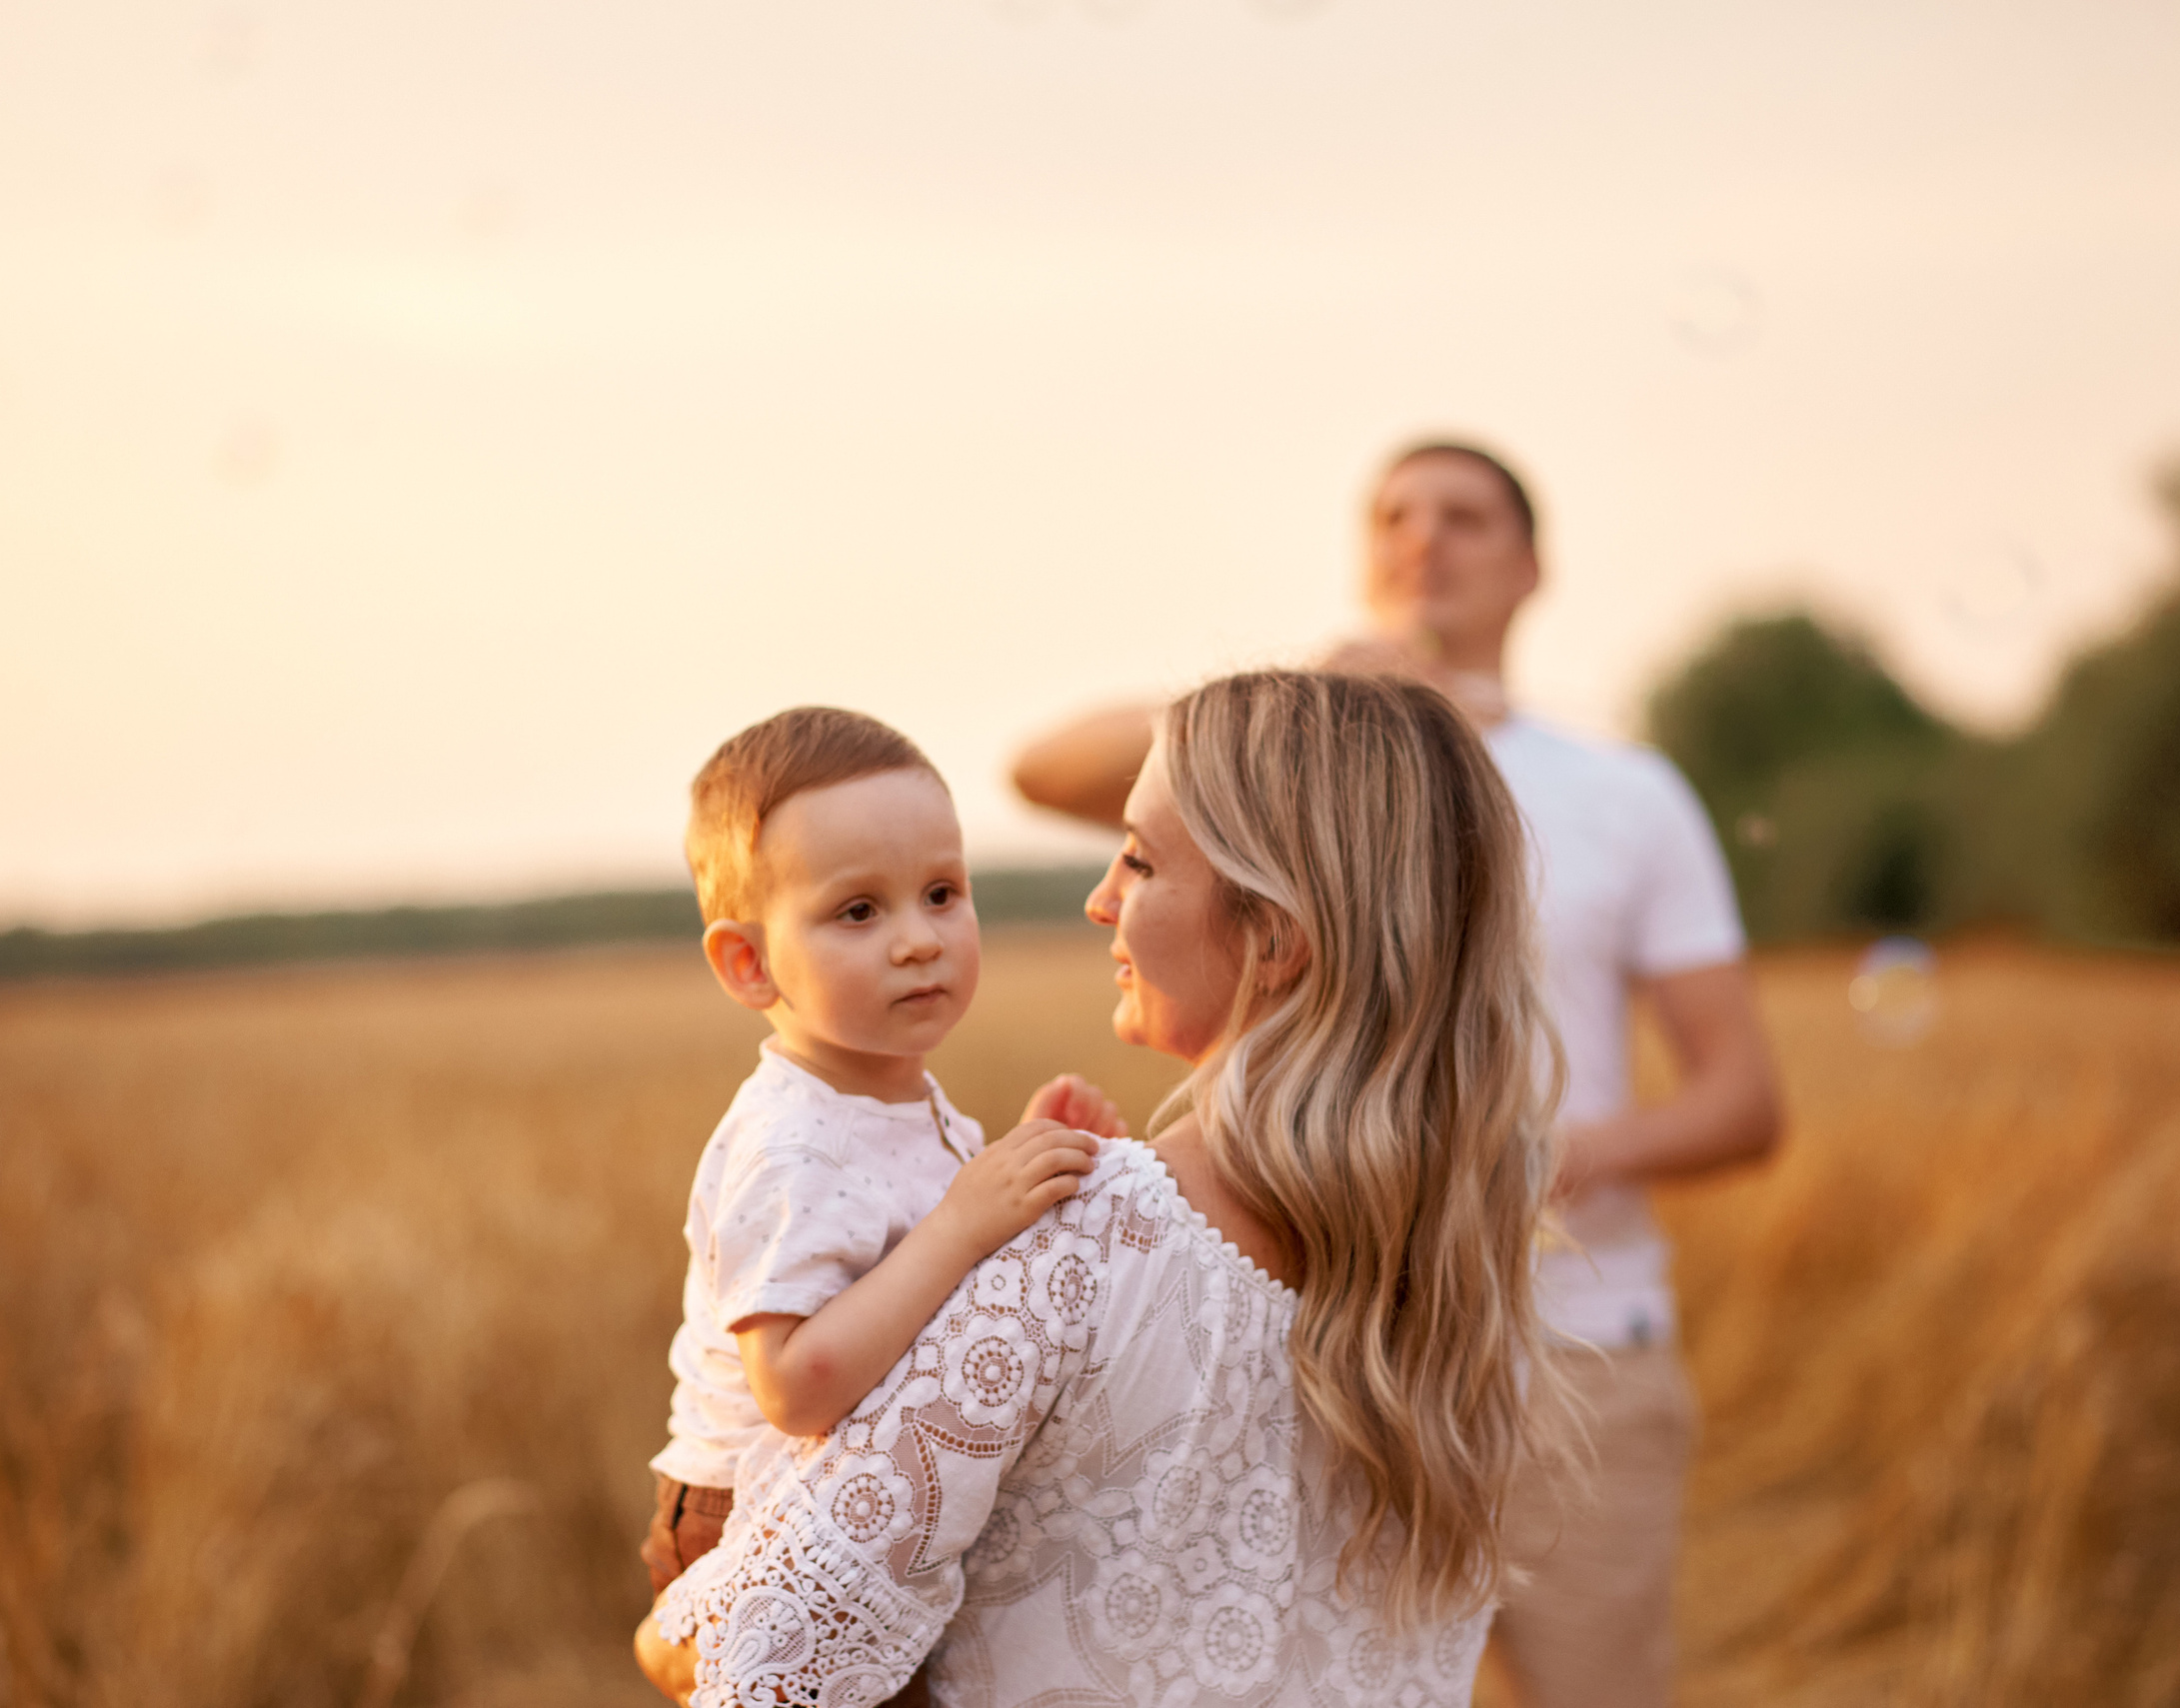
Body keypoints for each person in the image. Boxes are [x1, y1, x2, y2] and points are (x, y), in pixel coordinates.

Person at [1009, 443, 1783, 1708]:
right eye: (1394, 514)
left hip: (1573, 1343)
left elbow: (1744, 1099)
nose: (1425, 539)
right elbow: (1042, 766)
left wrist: (1538, 1157)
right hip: (1332, 1332)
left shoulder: (1625, 794)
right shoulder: (1285, 772)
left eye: (1467, 517)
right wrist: (1312, 695)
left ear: (1532, 568)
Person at [639, 670, 1561, 1707]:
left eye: (1137, 857)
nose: (1098, 898)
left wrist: (673, 1639)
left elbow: (743, 1659)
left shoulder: (1086, 1241)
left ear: (1273, 934)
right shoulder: (1469, 1262)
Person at [643, 707, 1128, 1616]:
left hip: (838, 1490)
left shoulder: (887, 1093)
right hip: (747, 1510)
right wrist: (962, 1220)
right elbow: (793, 1385)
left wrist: (1017, 1167)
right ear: (749, 963)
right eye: (859, 910)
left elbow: (906, 1253)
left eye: (942, 892)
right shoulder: (792, 1142)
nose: (918, 937)